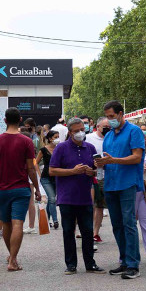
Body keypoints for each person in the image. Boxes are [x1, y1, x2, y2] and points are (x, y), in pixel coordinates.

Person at [0, 107, 41, 272]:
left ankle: (12, 257)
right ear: (20, 120)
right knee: (18, 222)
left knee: (6, 223)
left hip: (2, 188)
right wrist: (37, 188)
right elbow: (31, 169)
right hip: (21, 188)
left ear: (4, 120)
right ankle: (12, 260)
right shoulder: (26, 141)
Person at [98, 101, 146, 279]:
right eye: (107, 117)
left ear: (120, 114)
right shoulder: (109, 135)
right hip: (111, 184)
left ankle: (133, 264)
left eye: (112, 116)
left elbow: (136, 157)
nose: (110, 120)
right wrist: (101, 163)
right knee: (117, 225)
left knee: (128, 224)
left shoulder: (134, 131)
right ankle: (124, 260)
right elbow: (108, 159)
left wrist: (113, 160)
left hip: (127, 183)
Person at [48, 118, 102, 275]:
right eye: (77, 130)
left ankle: (90, 263)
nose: (80, 133)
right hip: (67, 197)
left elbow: (96, 171)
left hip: (85, 196)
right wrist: (72, 171)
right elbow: (52, 170)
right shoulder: (61, 148)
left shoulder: (90, 148)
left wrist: (91, 171)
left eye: (82, 129)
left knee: (87, 231)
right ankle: (71, 264)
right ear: (70, 132)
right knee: (68, 231)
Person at [85, 118, 109, 244]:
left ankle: (95, 233)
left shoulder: (111, 138)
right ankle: (85, 230)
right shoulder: (89, 138)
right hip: (90, 175)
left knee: (100, 205)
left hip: (106, 176)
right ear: (97, 126)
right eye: (105, 126)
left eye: (109, 126)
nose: (107, 128)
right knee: (88, 205)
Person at [38, 129, 60, 229]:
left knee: (52, 200)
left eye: (58, 137)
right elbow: (35, 162)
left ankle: (47, 219)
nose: (57, 139)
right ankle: (55, 220)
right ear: (50, 139)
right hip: (46, 177)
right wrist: (39, 173)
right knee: (52, 198)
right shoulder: (43, 150)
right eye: (55, 137)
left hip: (56, 177)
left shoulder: (59, 148)